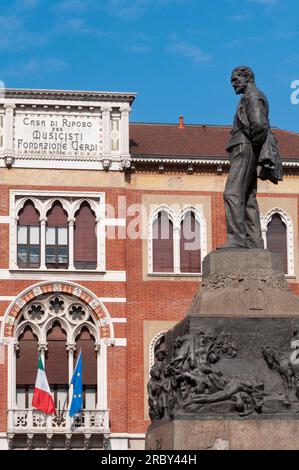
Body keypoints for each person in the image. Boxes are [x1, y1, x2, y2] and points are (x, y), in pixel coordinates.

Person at [219, 66, 282, 250]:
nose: (233, 85)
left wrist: (252, 149)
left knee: (232, 193)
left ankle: (236, 239)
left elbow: (259, 126)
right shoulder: (249, 97)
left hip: (245, 148)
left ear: (246, 78)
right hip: (245, 148)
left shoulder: (253, 97)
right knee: (248, 197)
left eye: (235, 80)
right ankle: (254, 241)